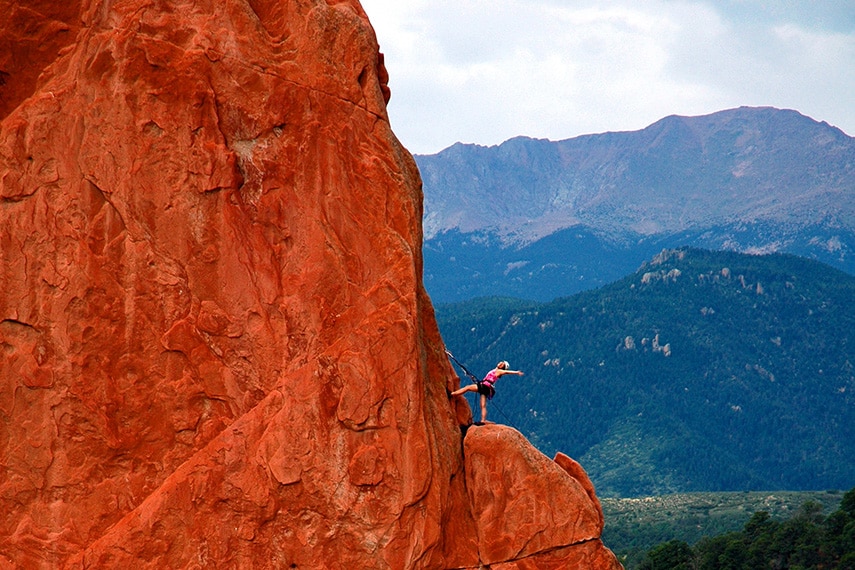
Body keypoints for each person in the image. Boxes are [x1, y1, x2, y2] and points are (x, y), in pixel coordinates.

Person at [451, 360, 523, 424]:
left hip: (485, 386)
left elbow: (507, 372)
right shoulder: (496, 370)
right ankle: (483, 420)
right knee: (483, 405)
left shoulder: (499, 371)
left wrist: (516, 372)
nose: (500, 363)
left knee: (467, 388)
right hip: (486, 387)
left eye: (502, 364)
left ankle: (453, 394)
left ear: (502, 367)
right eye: (501, 362)